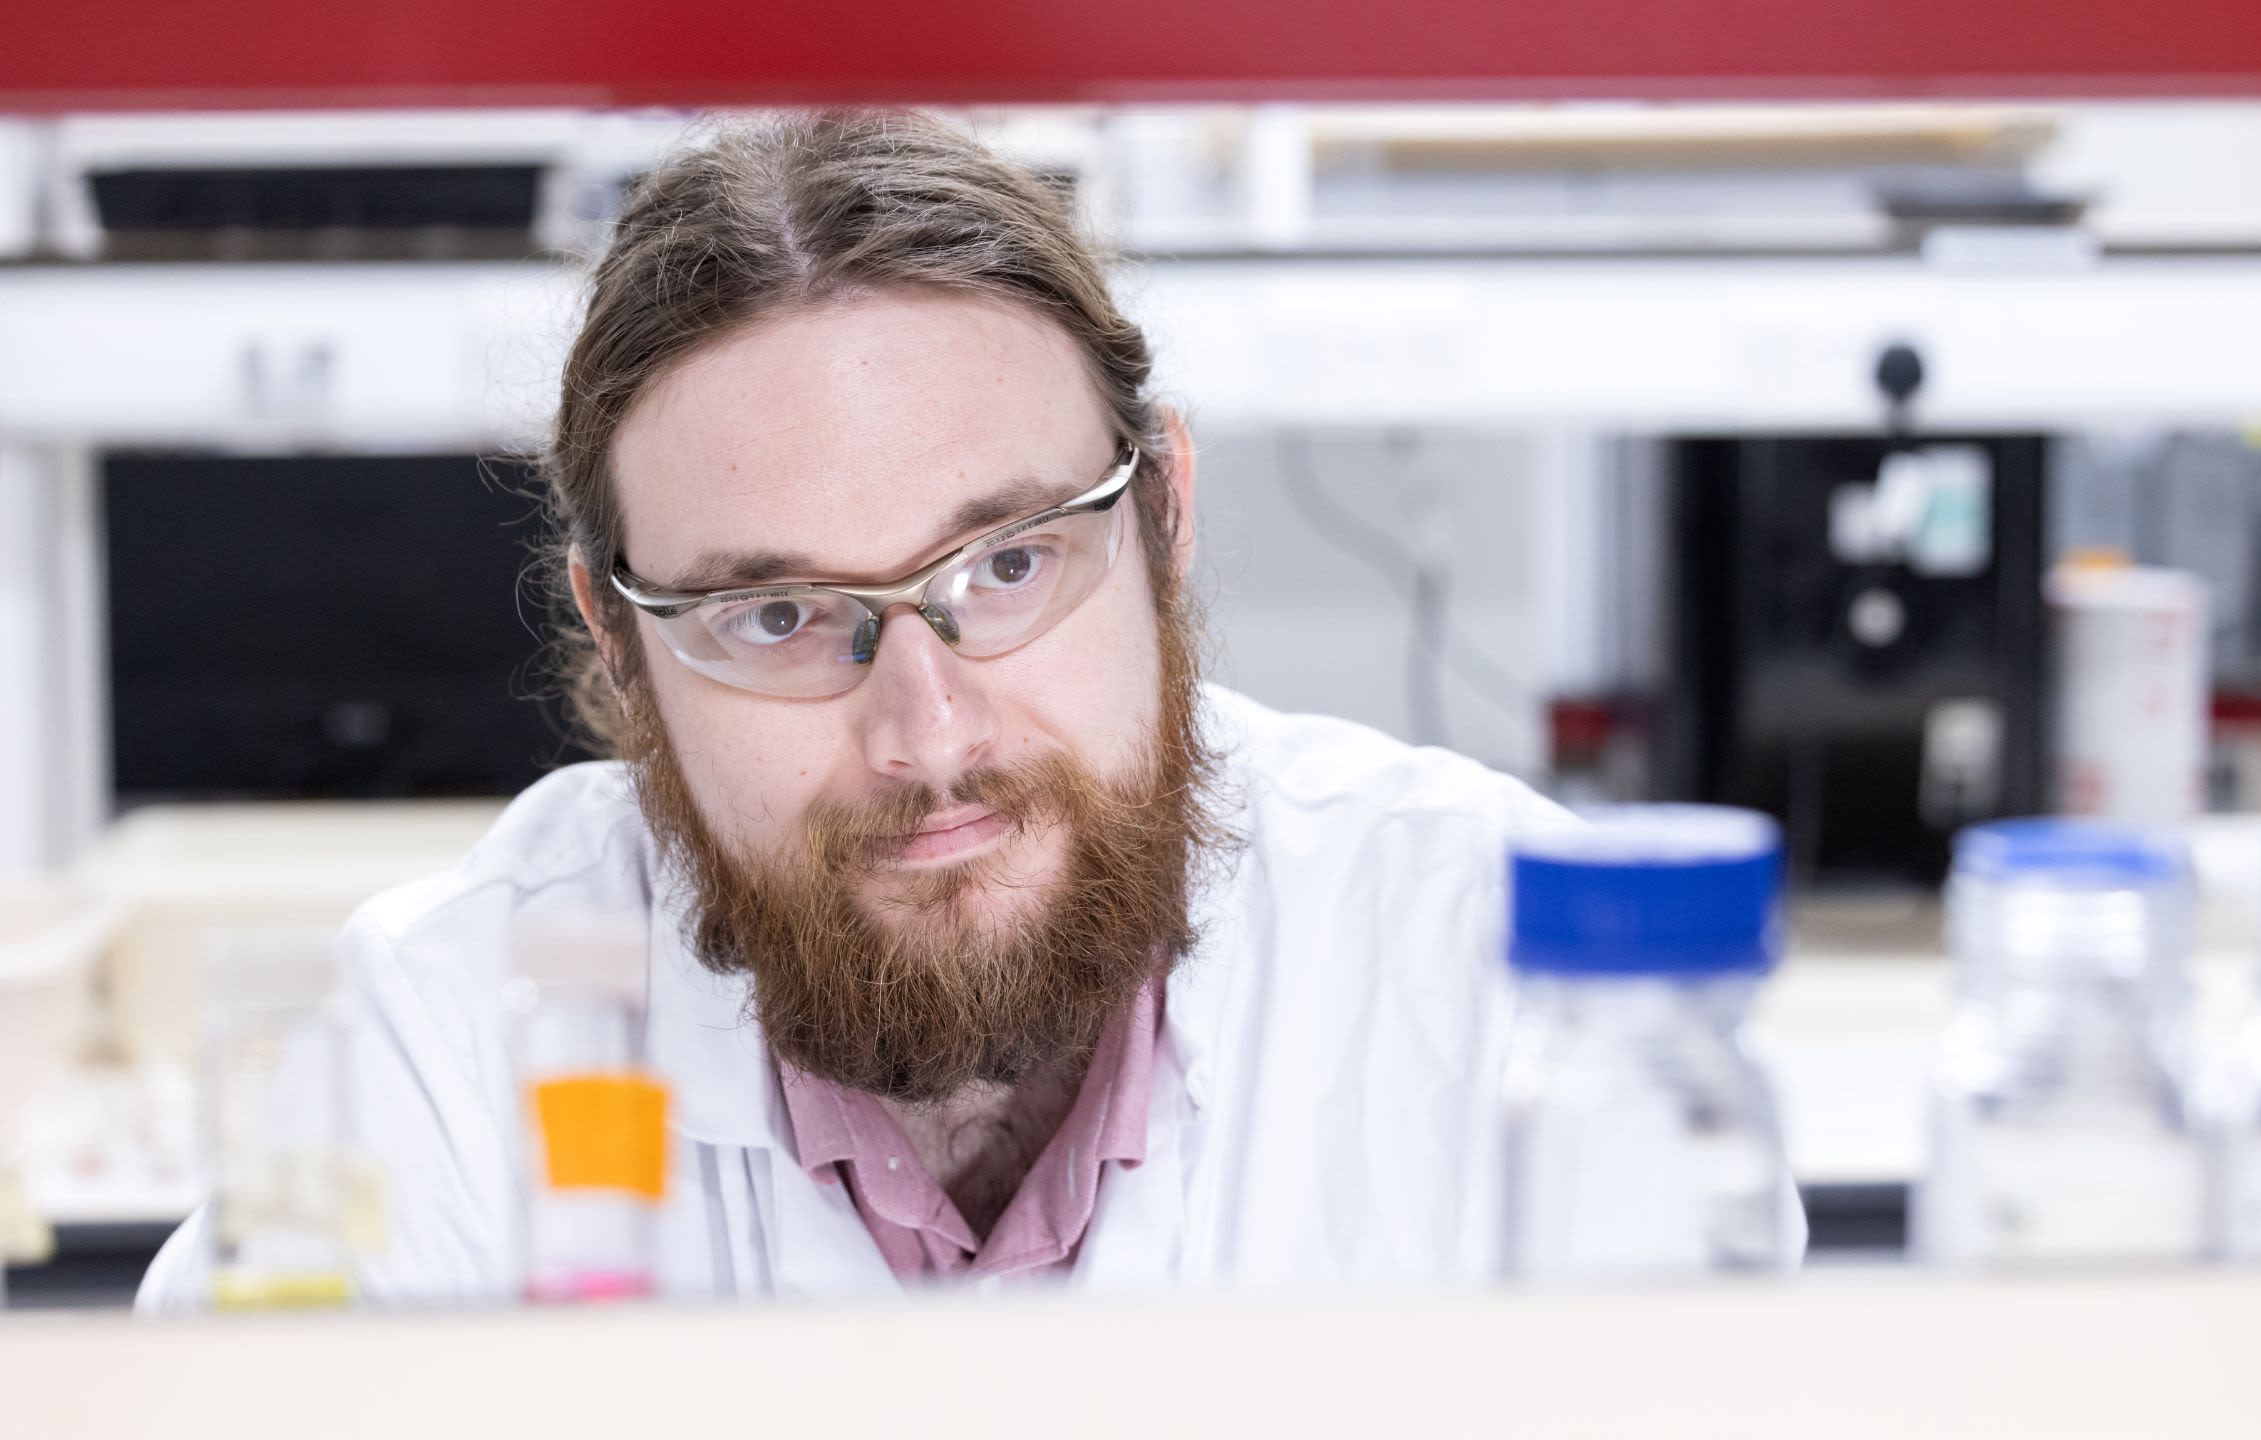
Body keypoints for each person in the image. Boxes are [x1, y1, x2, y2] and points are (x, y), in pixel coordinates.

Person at [141, 111, 1800, 1305]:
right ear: (620, 642)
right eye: (778, 614)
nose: (929, 735)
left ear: (1163, 518)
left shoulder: (1511, 985)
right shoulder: (432, 1052)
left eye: (1007, 567)